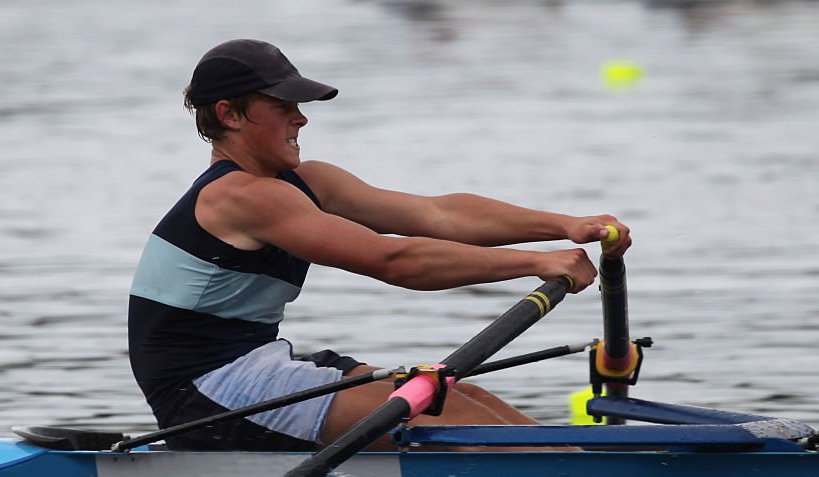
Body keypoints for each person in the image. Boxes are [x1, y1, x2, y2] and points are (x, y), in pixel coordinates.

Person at [128, 39, 631, 451]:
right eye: (282, 108)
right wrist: (535, 263)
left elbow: (439, 214)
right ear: (229, 115)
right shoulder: (239, 196)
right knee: (447, 415)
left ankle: (582, 472)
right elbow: (396, 261)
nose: (301, 119)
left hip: (258, 362)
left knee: (467, 399)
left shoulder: (308, 182)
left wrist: (565, 224)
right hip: (204, 394)